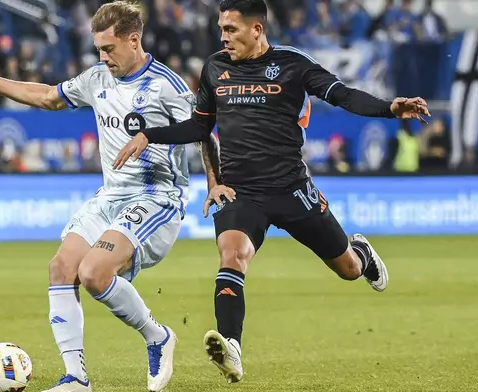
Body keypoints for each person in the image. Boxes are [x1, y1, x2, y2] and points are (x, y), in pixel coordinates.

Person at [114, 0, 430, 384]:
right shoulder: (215, 67)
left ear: (257, 29)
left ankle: (360, 251)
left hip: (292, 188)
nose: (223, 37)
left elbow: (342, 95)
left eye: (231, 29)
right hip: (240, 190)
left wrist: (389, 108)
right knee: (232, 256)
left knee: (347, 269)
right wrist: (150, 135)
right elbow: (198, 128)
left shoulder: (294, 64)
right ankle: (231, 347)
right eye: (221, 28)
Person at [0, 2, 218, 391]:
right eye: (98, 50)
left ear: (133, 39)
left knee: (93, 273)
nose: (103, 57)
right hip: (110, 197)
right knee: (61, 268)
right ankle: (76, 378)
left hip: (156, 198)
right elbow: (48, 97)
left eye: (109, 49)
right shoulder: (97, 79)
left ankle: (158, 336)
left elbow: (204, 132)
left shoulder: (166, 86)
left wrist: (213, 182)